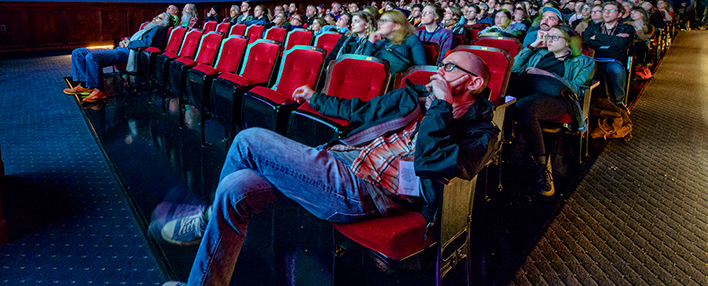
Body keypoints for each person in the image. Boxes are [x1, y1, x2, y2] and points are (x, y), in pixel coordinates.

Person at [155, 51, 498, 286]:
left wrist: (440, 107)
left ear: (474, 83)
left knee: (250, 139)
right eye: (441, 64)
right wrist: (315, 97)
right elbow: (361, 111)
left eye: (451, 68)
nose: (439, 71)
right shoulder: (414, 97)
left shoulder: (481, 132)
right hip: (339, 162)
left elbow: (432, 162)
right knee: (235, 190)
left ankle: (203, 218)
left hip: (367, 191)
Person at [509, 25, 594, 196]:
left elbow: (577, 89)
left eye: (554, 37)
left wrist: (547, 75)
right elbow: (513, 69)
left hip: (559, 100)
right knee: (511, 95)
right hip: (528, 91)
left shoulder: (583, 60)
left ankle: (543, 168)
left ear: (568, 43)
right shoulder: (539, 53)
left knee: (525, 106)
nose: (549, 40)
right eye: (548, 36)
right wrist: (532, 46)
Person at [64, 13, 170, 103]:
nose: (154, 18)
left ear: (164, 22)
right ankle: (84, 85)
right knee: (78, 52)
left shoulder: (160, 29)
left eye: (159, 18)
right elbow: (134, 38)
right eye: (156, 16)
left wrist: (129, 43)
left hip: (129, 54)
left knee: (92, 56)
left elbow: (148, 42)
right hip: (120, 49)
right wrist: (125, 41)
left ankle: (99, 90)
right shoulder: (148, 28)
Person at [583, 1, 635, 108]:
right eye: (604, 10)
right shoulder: (593, 27)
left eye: (611, 11)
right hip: (593, 59)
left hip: (613, 60)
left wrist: (597, 38)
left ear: (619, 14)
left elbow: (622, 44)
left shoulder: (626, 28)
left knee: (616, 70)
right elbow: (587, 41)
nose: (606, 13)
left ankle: (618, 103)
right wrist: (614, 41)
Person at [363, 10, 427, 74]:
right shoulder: (379, 42)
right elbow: (364, 64)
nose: (379, 23)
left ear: (396, 26)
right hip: (378, 79)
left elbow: (421, 68)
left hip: (400, 80)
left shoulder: (411, 39)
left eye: (384, 21)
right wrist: (370, 42)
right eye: (380, 20)